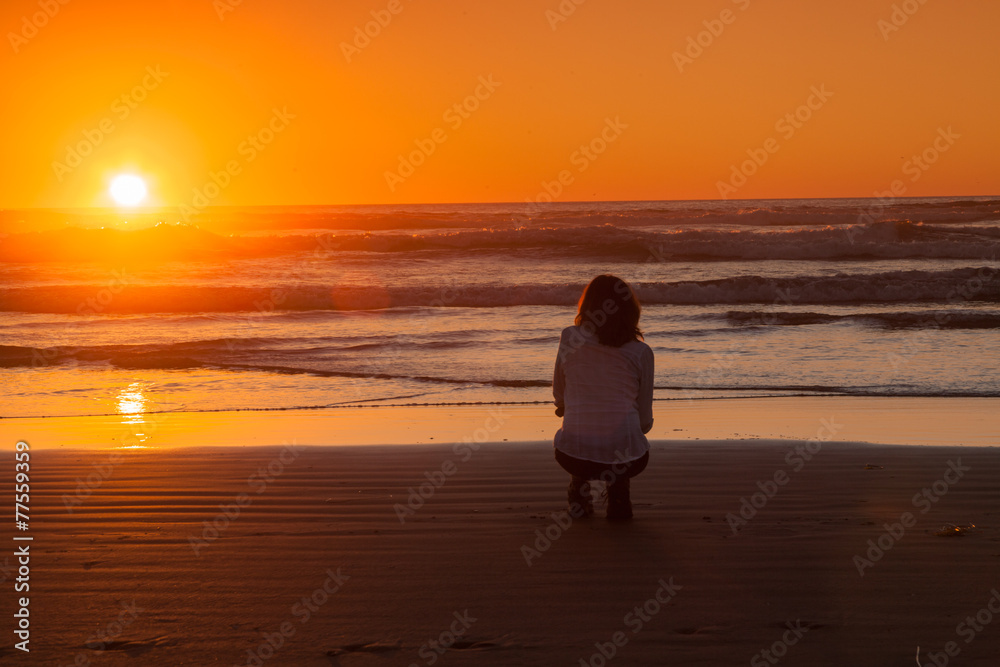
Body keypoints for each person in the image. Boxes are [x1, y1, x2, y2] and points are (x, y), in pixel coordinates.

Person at [552, 274, 654, 521]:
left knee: (577, 424)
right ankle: (619, 497)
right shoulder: (641, 352)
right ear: (630, 310)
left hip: (572, 457)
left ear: (586, 306)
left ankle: (579, 492)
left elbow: (558, 391)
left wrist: (566, 406)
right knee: (627, 435)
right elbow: (644, 421)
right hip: (627, 460)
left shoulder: (569, 337)